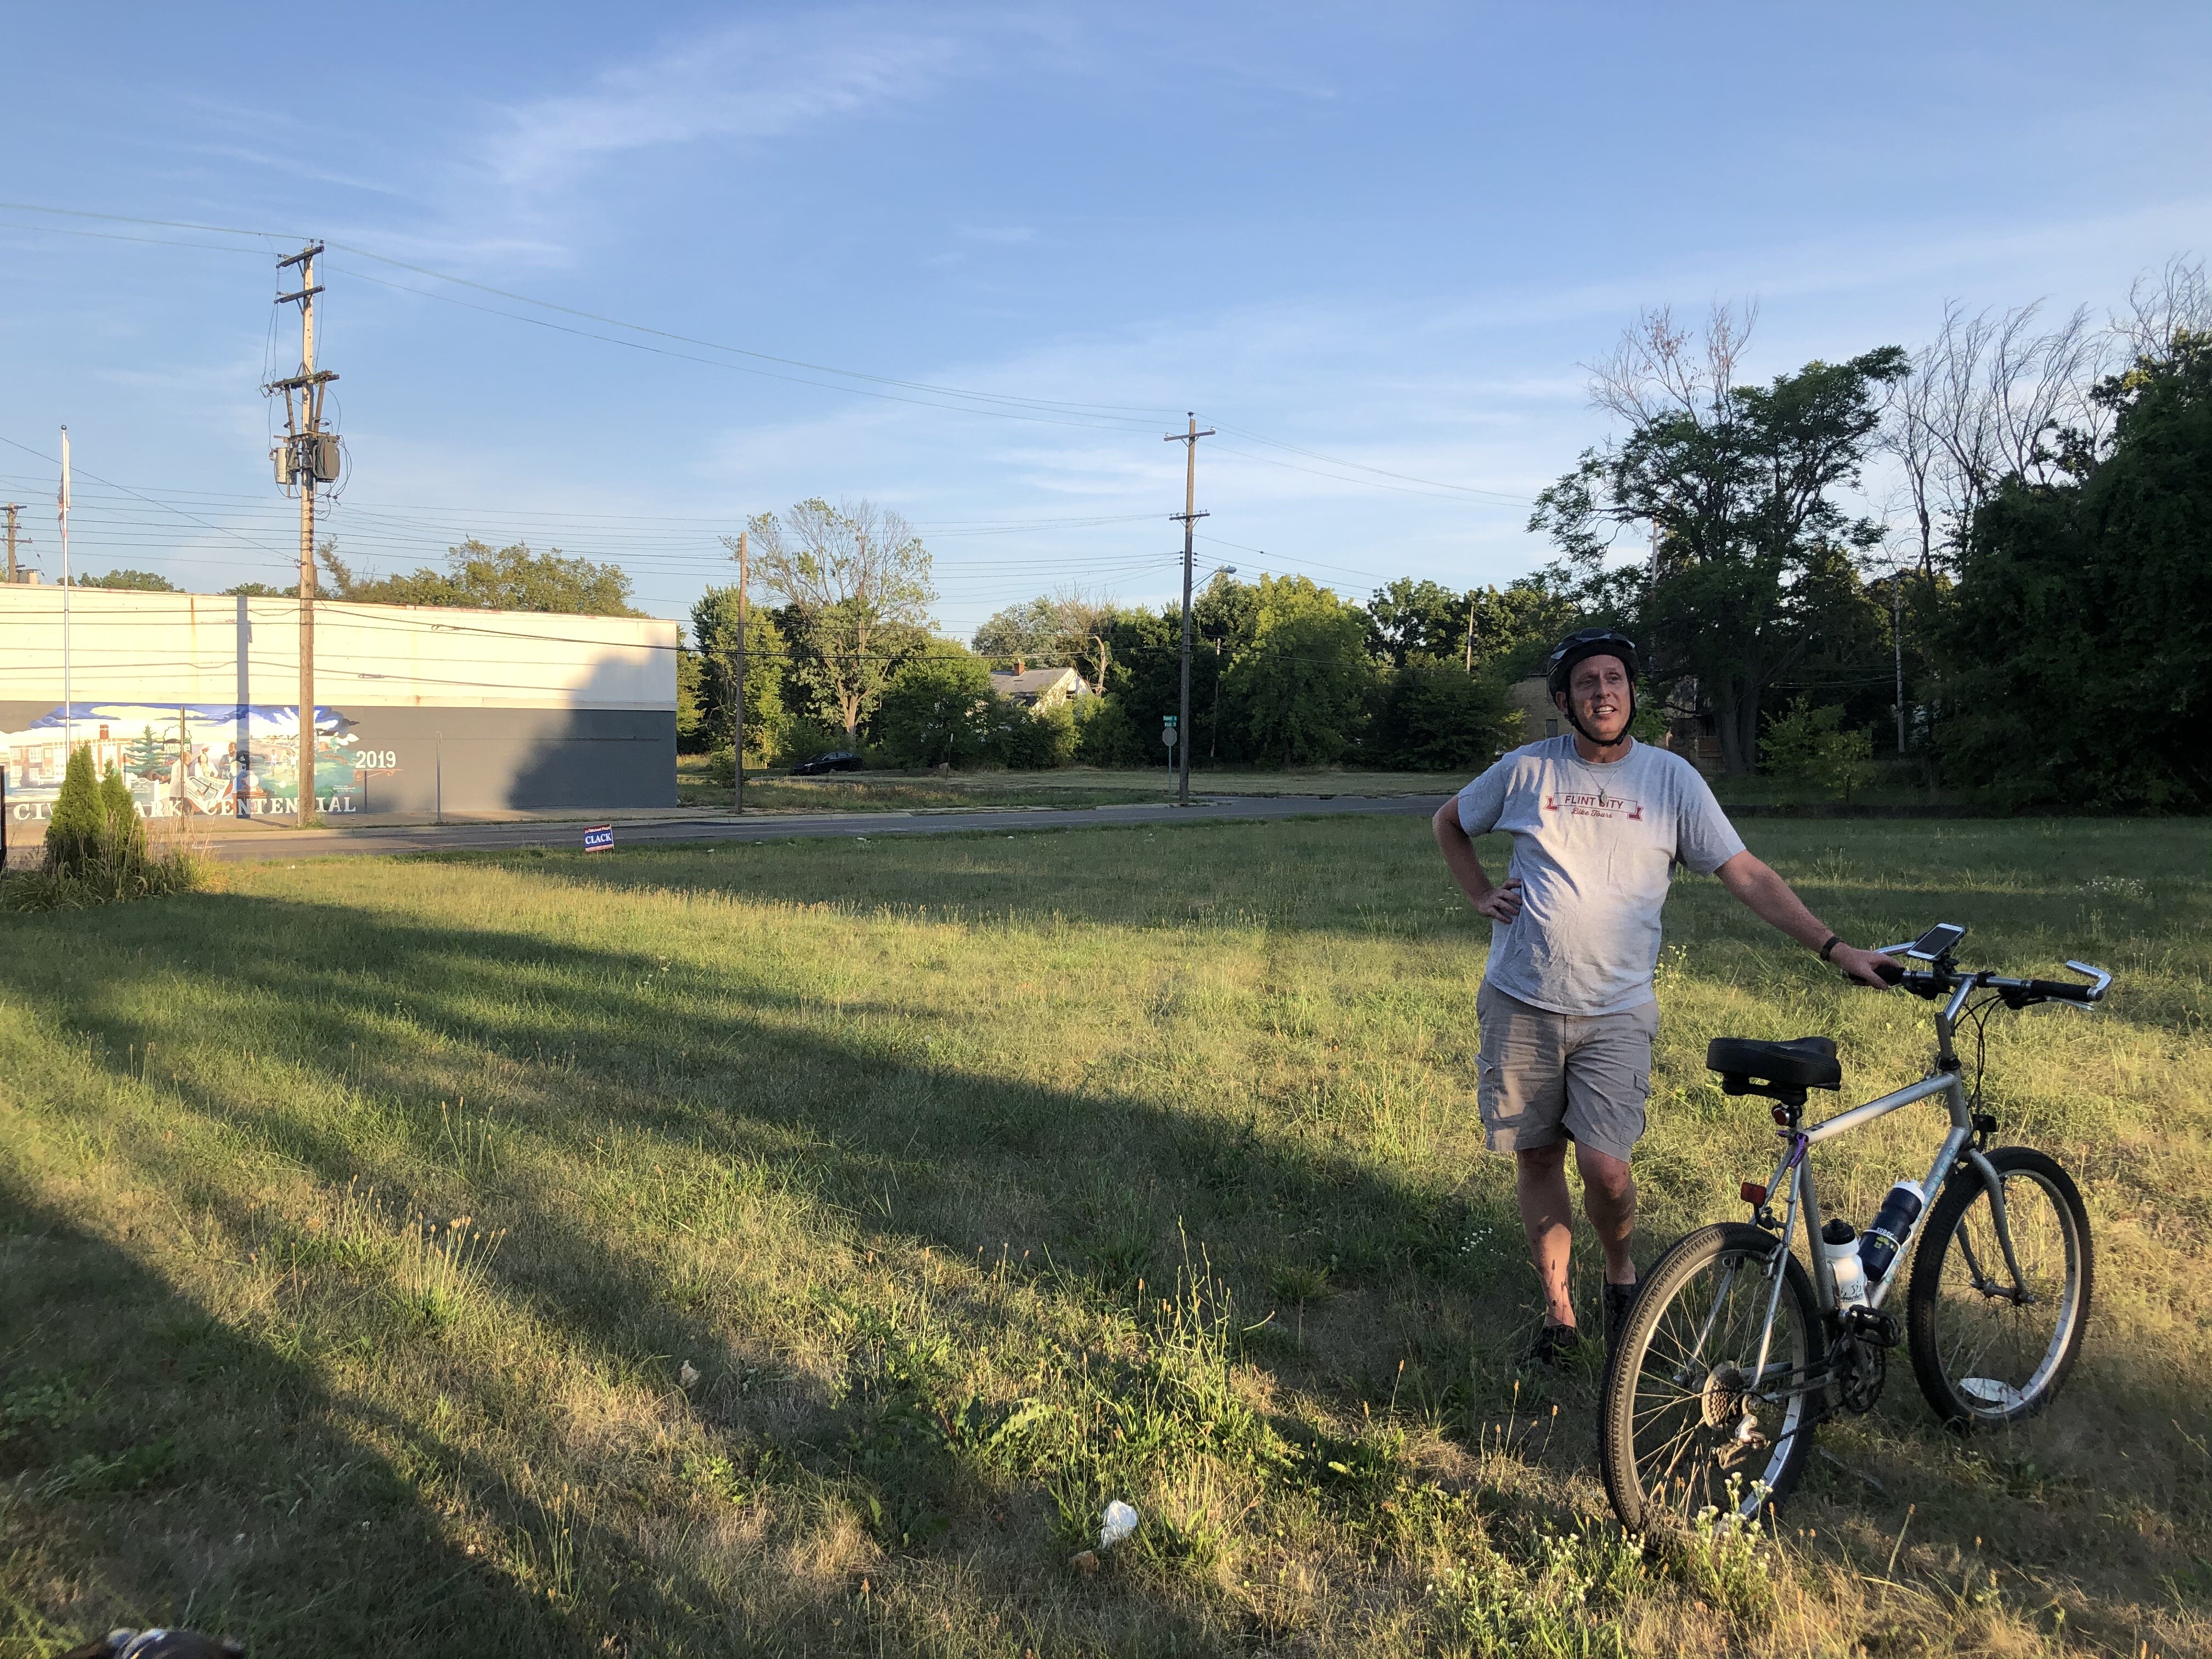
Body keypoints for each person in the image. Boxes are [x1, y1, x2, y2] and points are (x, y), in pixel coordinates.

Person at [1431, 628, 1895, 1365]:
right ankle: (1560, 1315)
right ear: (1564, 701)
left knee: (1606, 1171)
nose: (1603, 692)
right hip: (1521, 999)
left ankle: (1621, 1272)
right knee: (1540, 1156)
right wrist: (1481, 893)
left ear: (1632, 693)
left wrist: (1834, 947)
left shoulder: (1671, 779)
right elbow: (1450, 822)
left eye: (1615, 679)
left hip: (1617, 1009)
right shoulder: (1525, 772)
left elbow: (1744, 872)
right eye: (1587, 683)